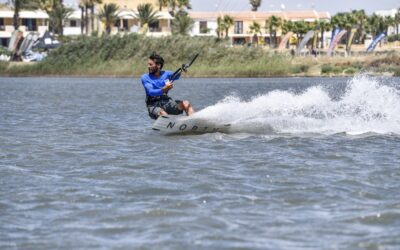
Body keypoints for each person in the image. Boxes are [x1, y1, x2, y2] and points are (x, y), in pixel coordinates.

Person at [141, 53, 194, 120]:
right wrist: (163, 89)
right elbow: (150, 92)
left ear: (159, 65)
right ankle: (171, 125)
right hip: (153, 106)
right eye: (148, 64)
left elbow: (176, 75)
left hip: (167, 103)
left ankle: (194, 121)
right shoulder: (145, 77)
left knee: (186, 103)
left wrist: (182, 69)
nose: (148, 66)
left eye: (151, 64)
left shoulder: (167, 74)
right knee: (163, 114)